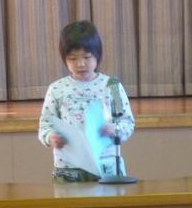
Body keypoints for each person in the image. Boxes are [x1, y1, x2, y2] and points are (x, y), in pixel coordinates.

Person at [38, 20, 135, 182]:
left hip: (106, 165)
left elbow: (127, 122)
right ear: (64, 59)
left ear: (98, 55)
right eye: (72, 59)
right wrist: (50, 137)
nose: (81, 64)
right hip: (69, 167)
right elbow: (45, 125)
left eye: (87, 57)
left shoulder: (112, 86)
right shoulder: (56, 89)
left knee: (110, 199)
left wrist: (115, 129)